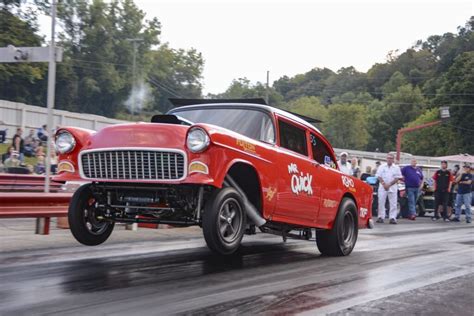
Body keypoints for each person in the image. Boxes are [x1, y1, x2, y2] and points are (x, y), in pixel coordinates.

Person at [376, 153, 403, 224]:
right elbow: (379, 176)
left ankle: (392, 218)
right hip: (382, 186)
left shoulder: (396, 167)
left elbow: (397, 178)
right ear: (386, 159)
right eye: (388, 158)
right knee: (381, 202)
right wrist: (384, 184)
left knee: (393, 203)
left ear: (393, 159)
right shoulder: (382, 166)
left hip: (392, 186)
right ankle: (381, 217)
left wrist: (389, 184)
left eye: (391, 158)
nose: (389, 159)